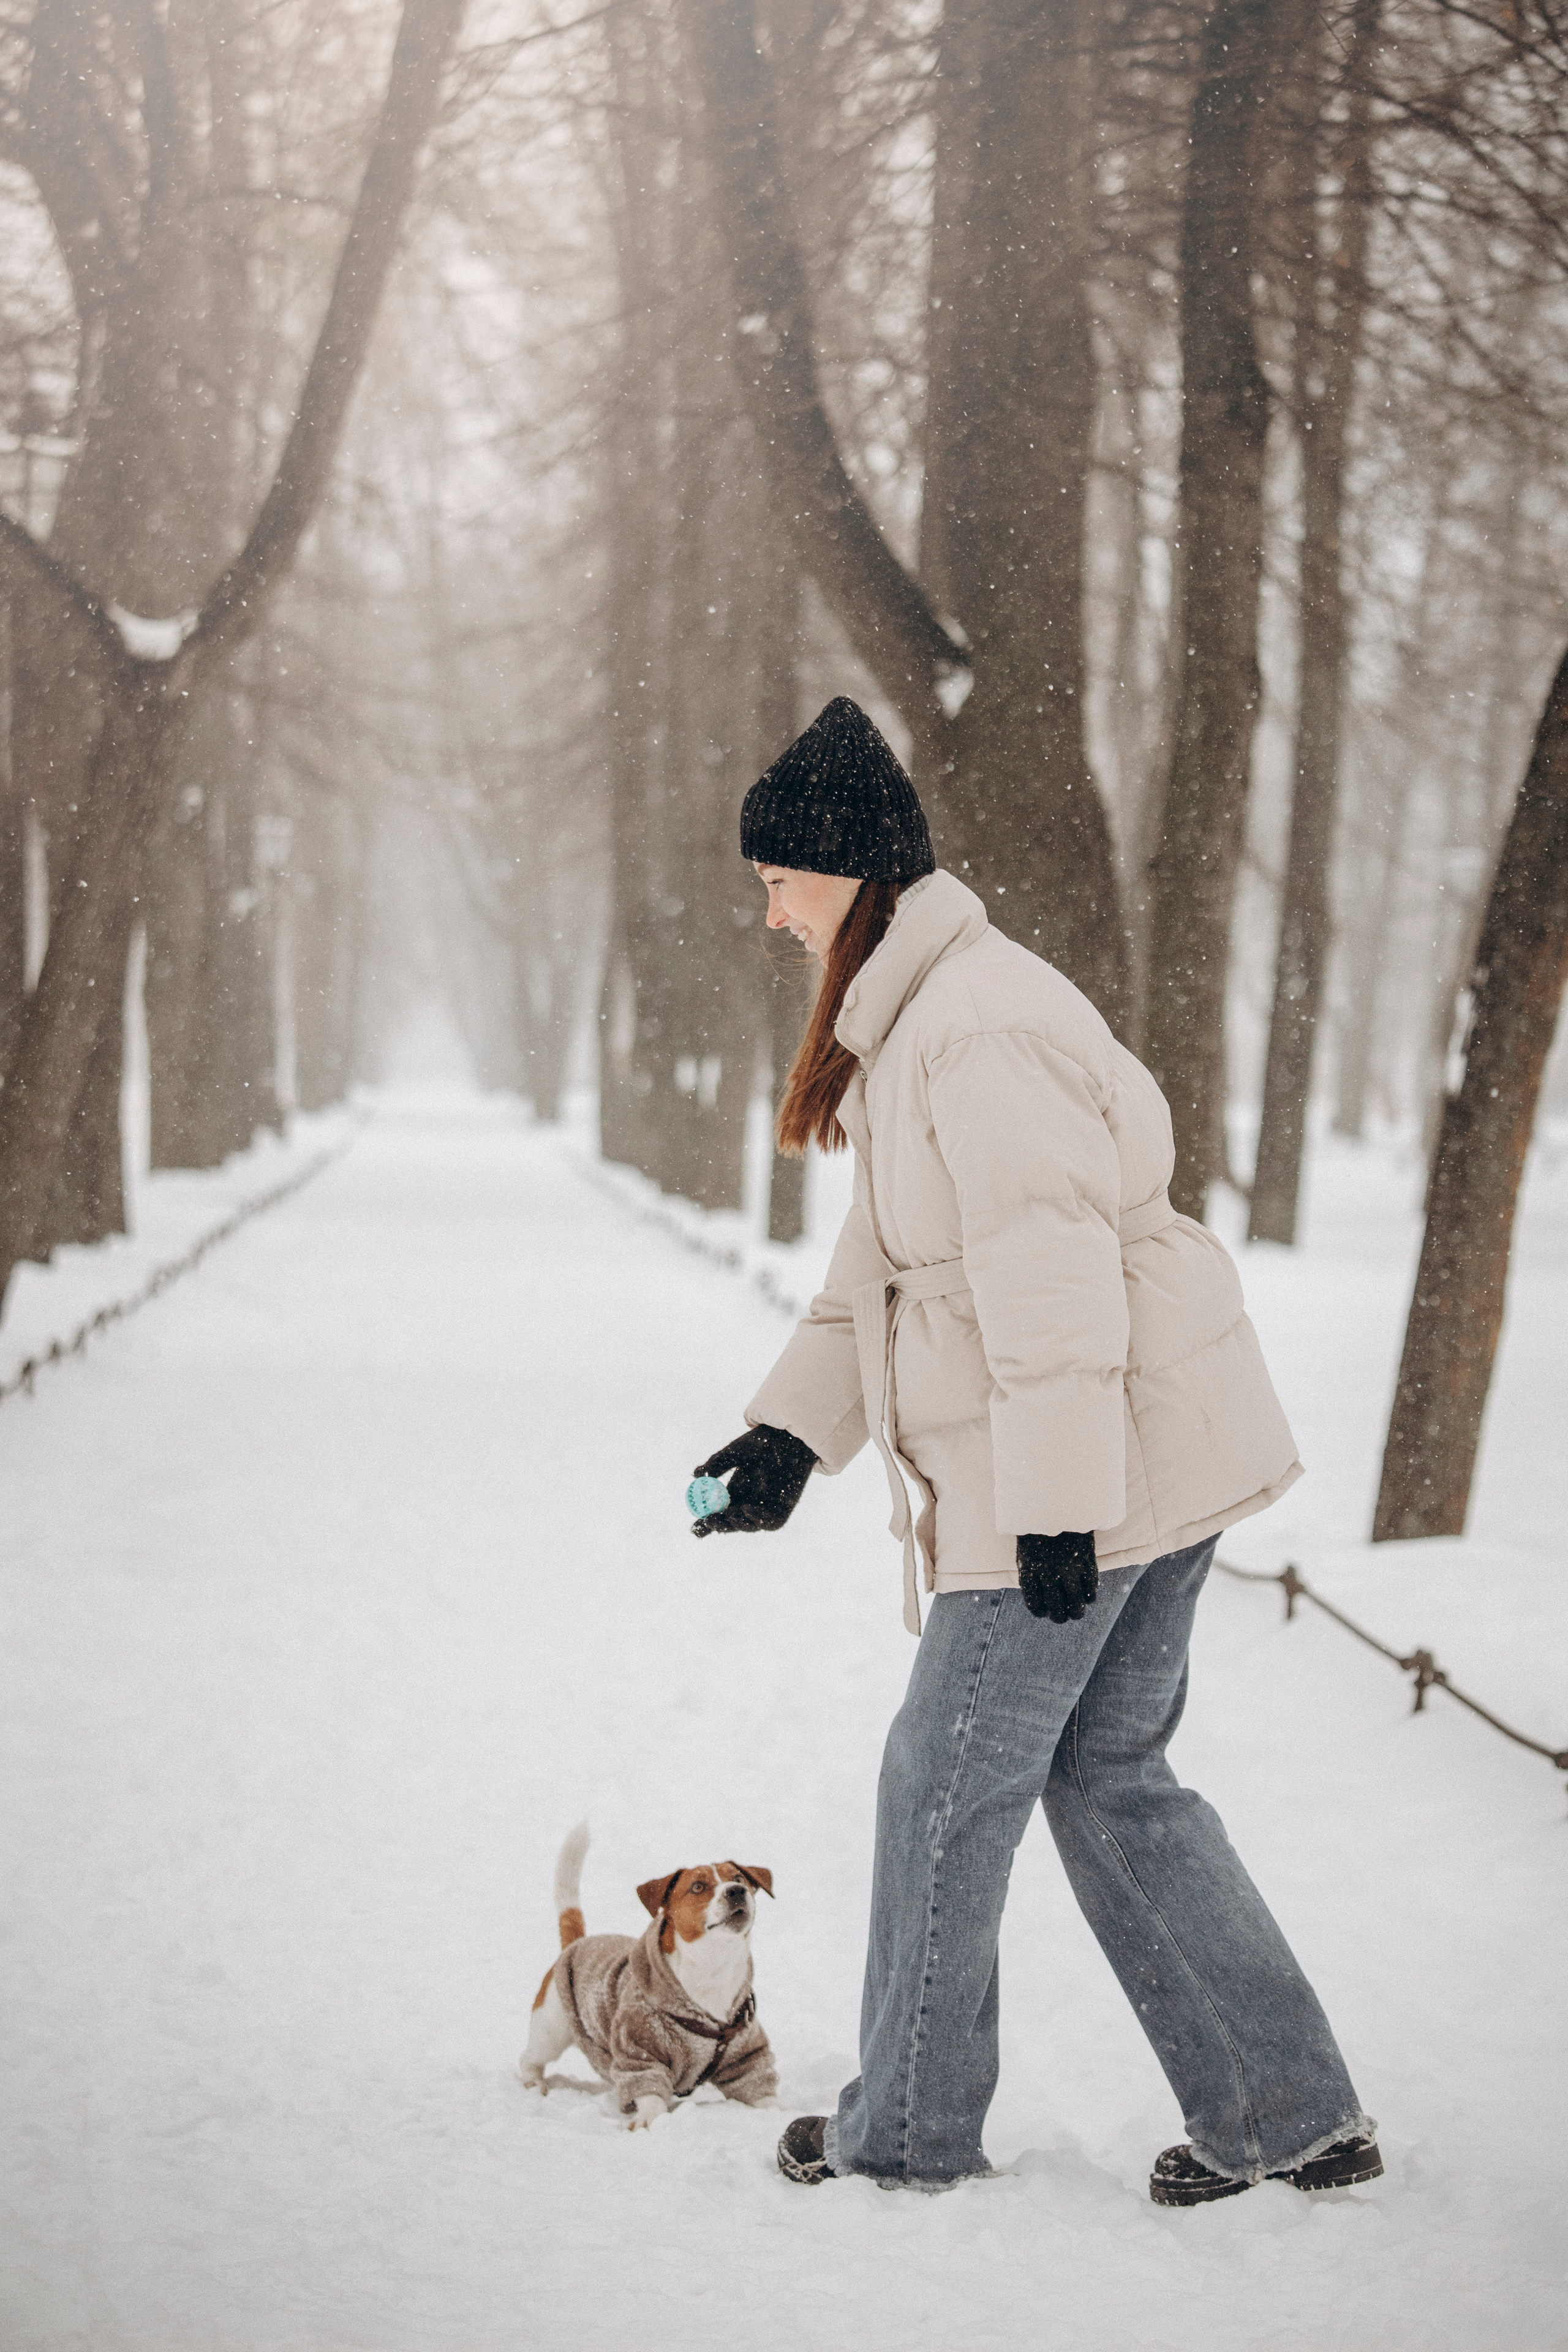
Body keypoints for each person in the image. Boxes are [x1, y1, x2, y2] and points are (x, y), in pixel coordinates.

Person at [691, 696, 1381, 2204]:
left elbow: (1049, 1285)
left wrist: (1060, 1515)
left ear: (853, 873)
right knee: (1107, 1774)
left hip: (1082, 1461)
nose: (770, 913)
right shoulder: (921, 1014)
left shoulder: (973, 1028)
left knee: (940, 1783)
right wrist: (782, 1440)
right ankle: (1288, 2114)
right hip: (1136, 1447)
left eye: (782, 881)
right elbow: (878, 1271)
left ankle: (909, 2133)